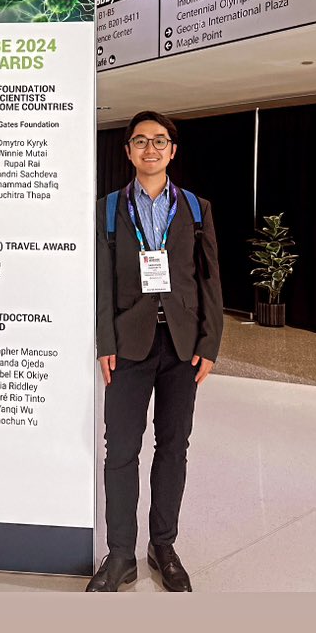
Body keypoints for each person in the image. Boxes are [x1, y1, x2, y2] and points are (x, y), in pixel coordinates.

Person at [86, 111, 223, 592]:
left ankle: (162, 545)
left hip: (182, 348)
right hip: (128, 346)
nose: (150, 149)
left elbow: (209, 281)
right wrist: (105, 342)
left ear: (172, 150)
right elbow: (102, 283)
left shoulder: (196, 208)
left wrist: (209, 344)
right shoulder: (107, 208)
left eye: (159, 141)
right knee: (120, 451)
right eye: (140, 141)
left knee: (173, 448)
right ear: (127, 151)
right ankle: (120, 553)